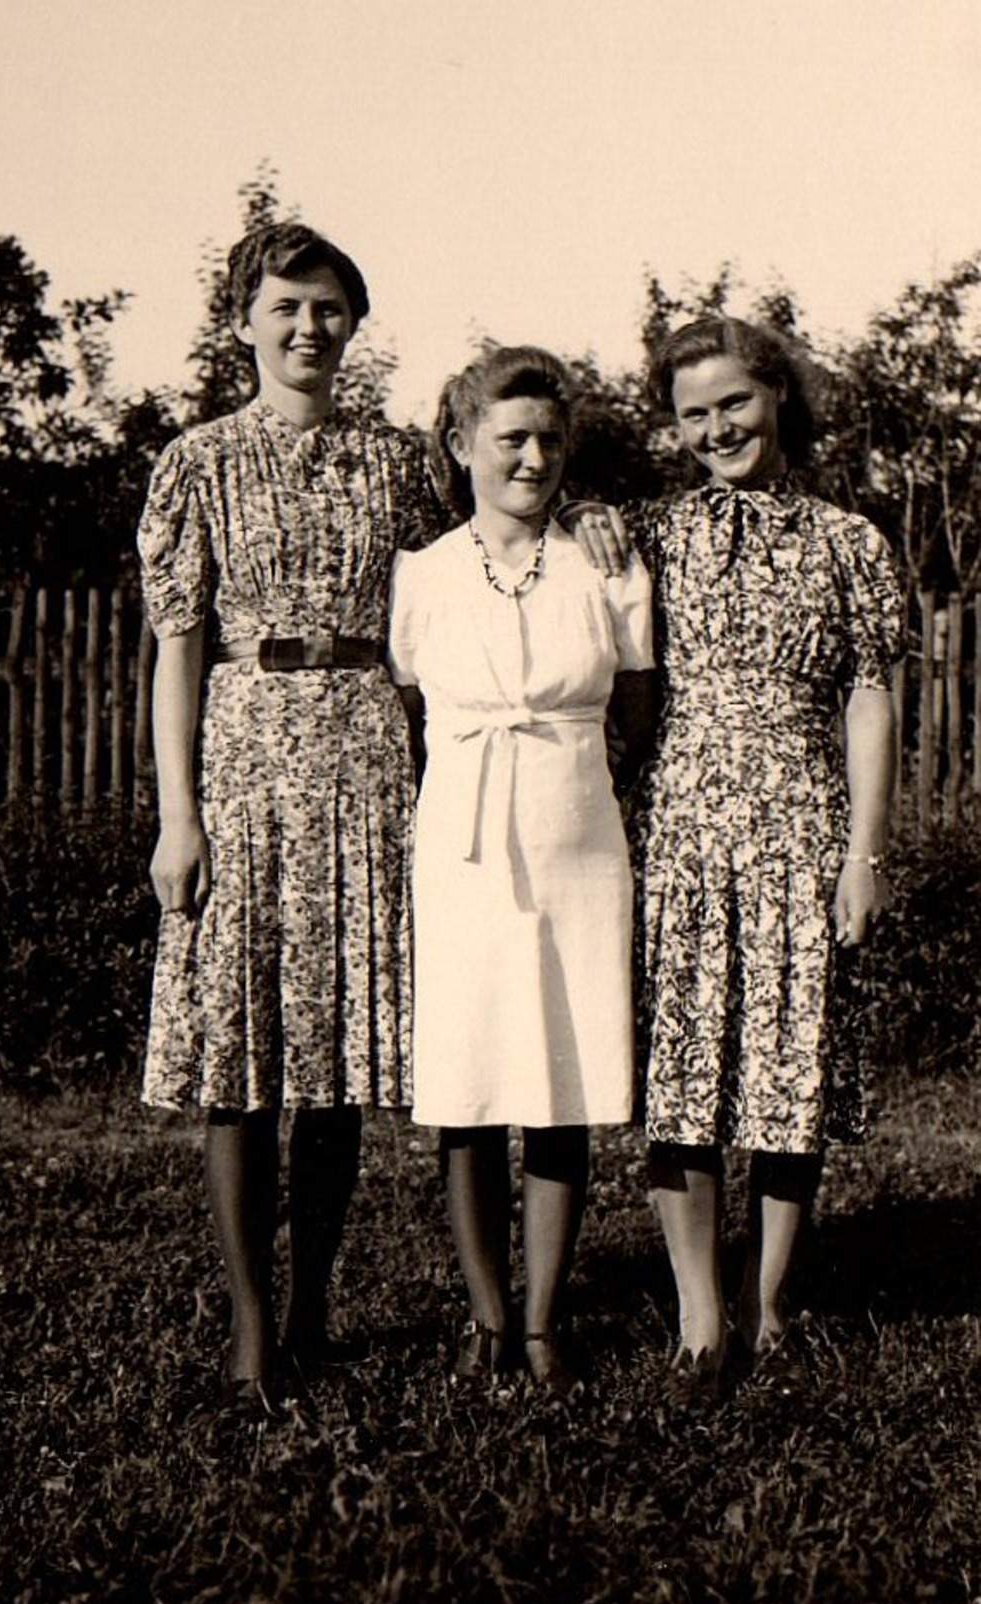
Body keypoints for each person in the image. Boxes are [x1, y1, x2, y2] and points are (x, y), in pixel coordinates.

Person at [137, 221, 439, 1419]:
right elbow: (174, 652)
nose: (307, 329)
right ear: (242, 322)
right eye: (285, 308)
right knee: (239, 1050)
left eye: (328, 308)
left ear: (351, 324)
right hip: (243, 757)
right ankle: (254, 1328)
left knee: (332, 1059)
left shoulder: (400, 461)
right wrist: (179, 815)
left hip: (367, 748)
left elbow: (470, 583)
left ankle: (317, 1302)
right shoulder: (196, 462)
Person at [578, 317, 905, 1401]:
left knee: (786, 1072)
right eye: (692, 413)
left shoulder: (849, 542)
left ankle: (765, 1304)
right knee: (683, 1075)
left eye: (733, 403)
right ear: (670, 429)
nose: (716, 427)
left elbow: (868, 695)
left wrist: (862, 853)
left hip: (801, 824)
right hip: (678, 824)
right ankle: (697, 1317)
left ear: (777, 396)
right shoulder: (652, 536)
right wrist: (585, 518)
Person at [388, 347, 654, 1394]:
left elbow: (637, 709)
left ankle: (542, 1319)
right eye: (509, 439)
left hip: (576, 834)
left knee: (559, 1076)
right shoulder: (421, 575)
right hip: (460, 835)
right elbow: (410, 710)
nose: (532, 457)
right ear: (461, 449)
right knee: (466, 1080)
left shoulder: (604, 561)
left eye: (548, 438)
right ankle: (484, 1313)